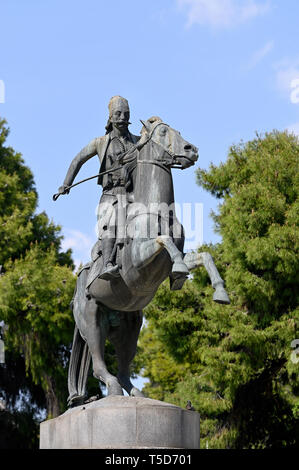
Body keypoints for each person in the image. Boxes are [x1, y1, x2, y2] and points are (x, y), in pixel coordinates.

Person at [57, 96, 140, 280]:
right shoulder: (100, 142)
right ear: (110, 117)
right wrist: (66, 183)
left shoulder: (138, 141)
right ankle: (107, 264)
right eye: (118, 114)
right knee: (110, 222)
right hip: (110, 195)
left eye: (126, 114)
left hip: (133, 195)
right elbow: (78, 159)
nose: (122, 118)